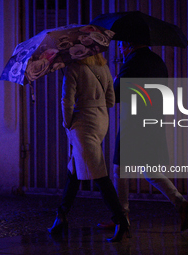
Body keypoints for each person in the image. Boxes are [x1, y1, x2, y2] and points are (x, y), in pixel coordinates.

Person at [98, 41, 188, 231]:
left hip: (132, 124)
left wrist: (116, 78)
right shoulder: (158, 62)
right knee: (150, 171)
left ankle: (122, 217)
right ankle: (180, 202)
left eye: (121, 44)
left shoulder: (133, 62)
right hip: (152, 122)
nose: (119, 47)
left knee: (119, 171)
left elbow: (115, 95)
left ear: (129, 44)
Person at [48, 53, 131, 242]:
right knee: (75, 170)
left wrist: (67, 123)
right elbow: (110, 101)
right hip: (101, 121)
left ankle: (121, 220)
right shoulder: (104, 68)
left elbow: (66, 100)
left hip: (83, 124)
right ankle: (61, 215)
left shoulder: (73, 69)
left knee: (99, 173)